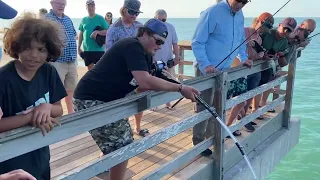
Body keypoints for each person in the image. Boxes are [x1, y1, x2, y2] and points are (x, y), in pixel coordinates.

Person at [73, 18, 199, 180]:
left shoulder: (144, 54)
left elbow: (151, 78)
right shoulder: (132, 46)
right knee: (123, 144)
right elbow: (144, 81)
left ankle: (106, 168)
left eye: (162, 43)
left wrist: (179, 84)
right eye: (158, 41)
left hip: (109, 99)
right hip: (90, 99)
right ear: (145, 34)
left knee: (117, 141)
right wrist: (181, 88)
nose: (159, 46)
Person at [0, 13, 67, 180]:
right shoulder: (4, 79)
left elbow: (59, 109)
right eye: (27, 48)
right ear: (16, 47)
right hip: (10, 161)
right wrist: (31, 117)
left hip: (40, 153)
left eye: (41, 49)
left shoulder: (48, 72)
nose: (34, 55)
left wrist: (47, 107)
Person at [191, 0, 252, 156]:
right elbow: (197, 41)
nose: (240, 4)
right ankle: (198, 143)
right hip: (207, 70)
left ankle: (211, 139)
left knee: (218, 107)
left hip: (224, 71)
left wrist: (244, 57)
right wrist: (205, 64)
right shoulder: (212, 12)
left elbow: (240, 40)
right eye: (239, 0)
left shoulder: (240, 15)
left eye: (244, 2)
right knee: (203, 107)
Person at [106, 0, 148, 137]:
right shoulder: (113, 29)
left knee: (140, 100)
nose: (134, 15)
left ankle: (137, 127)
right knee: (122, 103)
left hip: (138, 71)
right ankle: (125, 130)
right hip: (120, 73)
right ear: (124, 10)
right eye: (132, 12)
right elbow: (109, 53)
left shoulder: (140, 27)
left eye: (137, 13)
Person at [237, 12, 274, 131]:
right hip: (240, 69)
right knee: (239, 97)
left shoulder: (259, 38)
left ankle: (244, 118)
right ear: (258, 21)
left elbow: (257, 55)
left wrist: (261, 54)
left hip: (254, 69)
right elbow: (236, 48)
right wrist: (247, 44)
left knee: (250, 95)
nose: (265, 29)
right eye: (265, 25)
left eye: (268, 28)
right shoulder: (244, 31)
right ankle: (240, 120)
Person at [45, 0, 78, 114]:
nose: (61, 6)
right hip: (57, 61)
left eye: (63, 4)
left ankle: (71, 113)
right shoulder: (46, 19)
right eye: (58, 3)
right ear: (51, 3)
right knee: (56, 90)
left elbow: (74, 35)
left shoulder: (68, 19)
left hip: (71, 61)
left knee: (71, 89)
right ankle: (56, 115)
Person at [257, 17, 296, 114]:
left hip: (268, 66)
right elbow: (254, 42)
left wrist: (277, 56)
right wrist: (261, 54)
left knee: (262, 86)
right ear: (279, 25)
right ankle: (253, 109)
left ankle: (257, 108)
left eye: (288, 30)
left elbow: (281, 58)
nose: (285, 31)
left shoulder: (285, 42)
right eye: (284, 28)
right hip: (255, 64)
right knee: (253, 87)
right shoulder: (267, 33)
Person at [153, 9, 179, 110]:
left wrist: (177, 57)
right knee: (155, 82)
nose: (161, 22)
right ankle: (154, 104)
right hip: (155, 60)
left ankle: (168, 102)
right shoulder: (150, 28)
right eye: (159, 19)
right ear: (155, 18)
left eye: (163, 20)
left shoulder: (170, 27)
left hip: (168, 60)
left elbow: (175, 44)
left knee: (170, 81)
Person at [78, 0, 109, 70]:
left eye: (92, 6)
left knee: (100, 70)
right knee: (90, 70)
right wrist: (79, 47)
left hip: (99, 50)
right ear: (86, 7)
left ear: (95, 7)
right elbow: (81, 34)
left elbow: (109, 31)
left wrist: (98, 32)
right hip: (87, 50)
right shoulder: (84, 20)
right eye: (88, 6)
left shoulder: (100, 18)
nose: (90, 8)